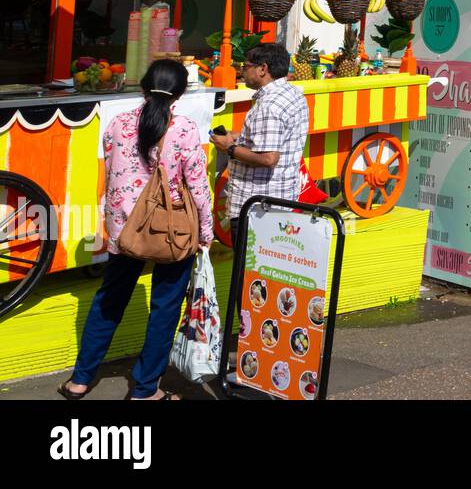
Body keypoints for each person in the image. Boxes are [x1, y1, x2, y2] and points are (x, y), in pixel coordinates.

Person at [60, 60, 214, 400]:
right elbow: (199, 188)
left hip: (123, 229)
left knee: (109, 300)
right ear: (180, 93)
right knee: (165, 307)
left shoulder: (116, 124)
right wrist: (206, 232)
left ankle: (80, 380)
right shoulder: (185, 129)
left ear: (142, 87)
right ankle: (146, 389)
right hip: (172, 230)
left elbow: (113, 174)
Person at [209, 43, 310, 226]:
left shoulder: (269, 105)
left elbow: (268, 158)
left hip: (257, 208)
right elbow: (278, 136)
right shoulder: (292, 93)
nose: (242, 72)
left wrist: (229, 148)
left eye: (246, 67)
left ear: (263, 69)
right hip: (278, 199)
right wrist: (239, 137)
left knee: (249, 254)